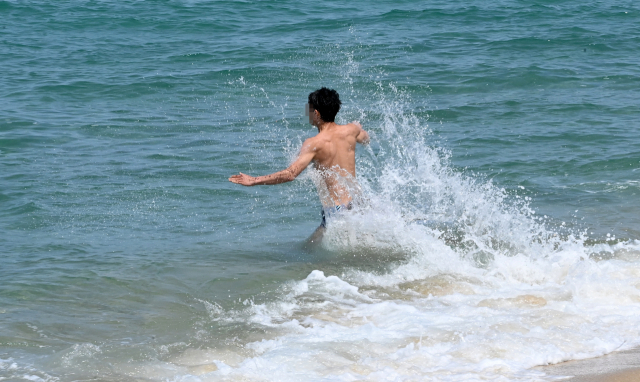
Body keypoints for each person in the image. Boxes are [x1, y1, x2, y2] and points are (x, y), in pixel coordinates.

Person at [228, 87, 369, 236]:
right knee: (315, 248)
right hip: (356, 204)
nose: (307, 112)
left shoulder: (314, 143)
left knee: (311, 253)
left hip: (336, 211)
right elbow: (365, 139)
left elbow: (290, 174)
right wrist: (357, 127)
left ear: (316, 113)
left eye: (309, 109)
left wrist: (254, 180)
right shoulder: (351, 130)